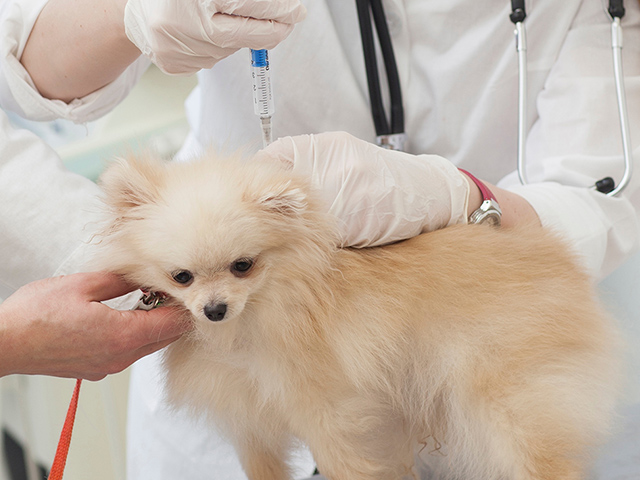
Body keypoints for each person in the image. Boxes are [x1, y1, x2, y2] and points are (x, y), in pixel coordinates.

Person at [1, 0, 639, 478]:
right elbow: (28, 60)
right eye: (188, 278)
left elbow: (608, 186)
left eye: (238, 268)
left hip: (495, 320)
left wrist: (463, 198)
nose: (213, 295)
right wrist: (129, 10)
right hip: (218, 395)